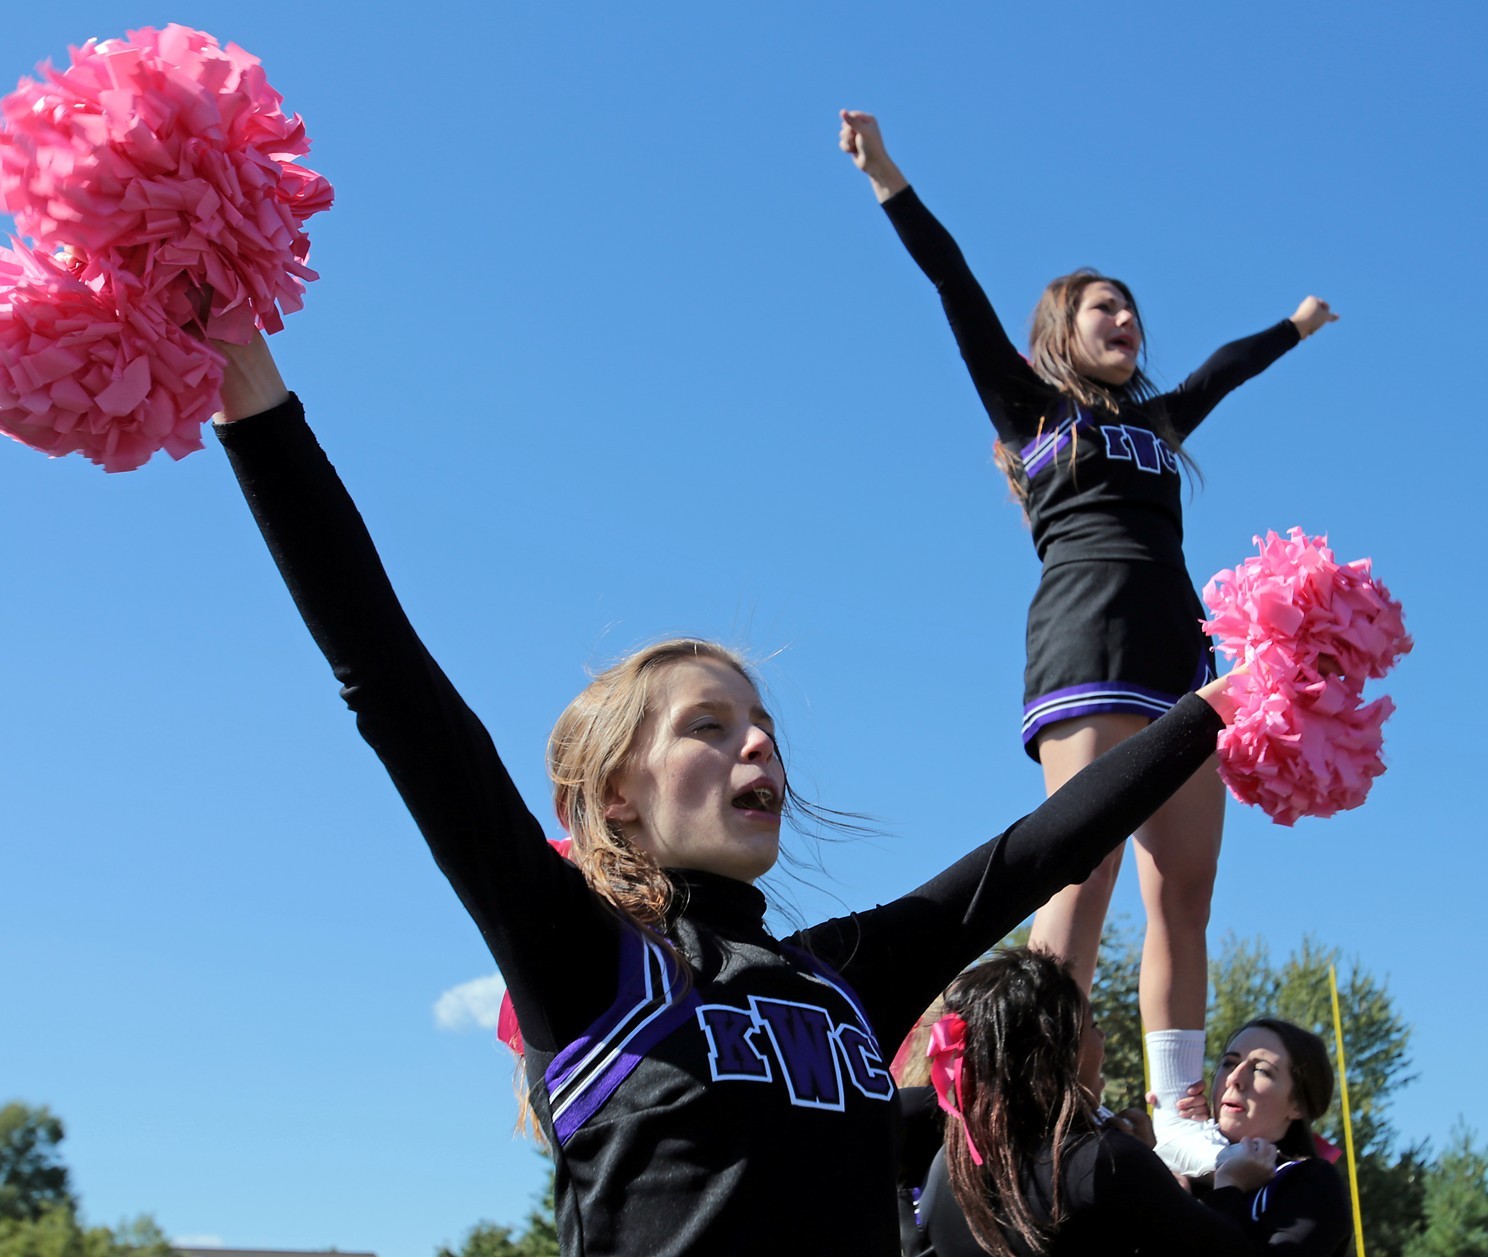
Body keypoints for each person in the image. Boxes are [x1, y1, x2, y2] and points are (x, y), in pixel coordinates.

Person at [207, 328, 1245, 1255]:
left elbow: (1040, 848)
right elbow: (389, 679)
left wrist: (1229, 701)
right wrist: (252, 395)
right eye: (708, 726)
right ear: (617, 794)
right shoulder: (588, 965)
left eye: (764, 728)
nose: (757, 746)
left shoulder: (842, 980)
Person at [838, 109, 1339, 1175]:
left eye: (1132, 309)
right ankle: (1029, 1095)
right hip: (1087, 638)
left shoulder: (1157, 423)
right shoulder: (1029, 410)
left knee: (1185, 888)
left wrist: (1294, 328)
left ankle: (1177, 1116)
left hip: (1181, 649)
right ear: (1062, 328)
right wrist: (887, 175)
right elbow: (954, 285)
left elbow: (1222, 370)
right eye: (1105, 306)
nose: (1127, 320)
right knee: (1082, 867)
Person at [908, 948, 1281, 1257]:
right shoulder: (1103, 1162)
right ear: (1058, 1051)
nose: (1102, 1037)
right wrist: (1230, 1187)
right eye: (1092, 1025)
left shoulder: (948, 1170)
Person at [1166, 1020, 1354, 1255]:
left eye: (1261, 1070)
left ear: (1298, 1105)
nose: (1234, 1078)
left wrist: (1229, 1188)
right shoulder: (1179, 1176)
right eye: (1229, 1063)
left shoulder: (1313, 1183)